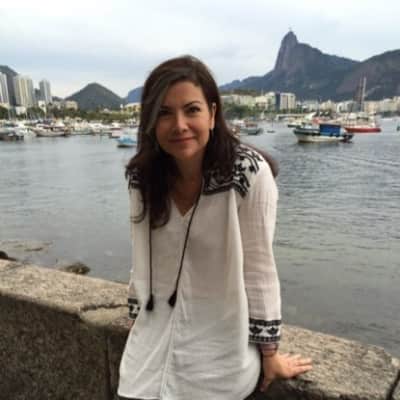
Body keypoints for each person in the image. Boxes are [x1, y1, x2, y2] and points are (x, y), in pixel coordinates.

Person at [118, 55, 312, 400]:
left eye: (191, 110)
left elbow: (259, 267)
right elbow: (142, 255)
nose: (179, 125)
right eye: (164, 113)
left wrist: (270, 353)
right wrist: (137, 318)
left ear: (212, 113)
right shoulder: (142, 177)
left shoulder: (247, 173)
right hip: (151, 345)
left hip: (220, 355)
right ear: (150, 121)